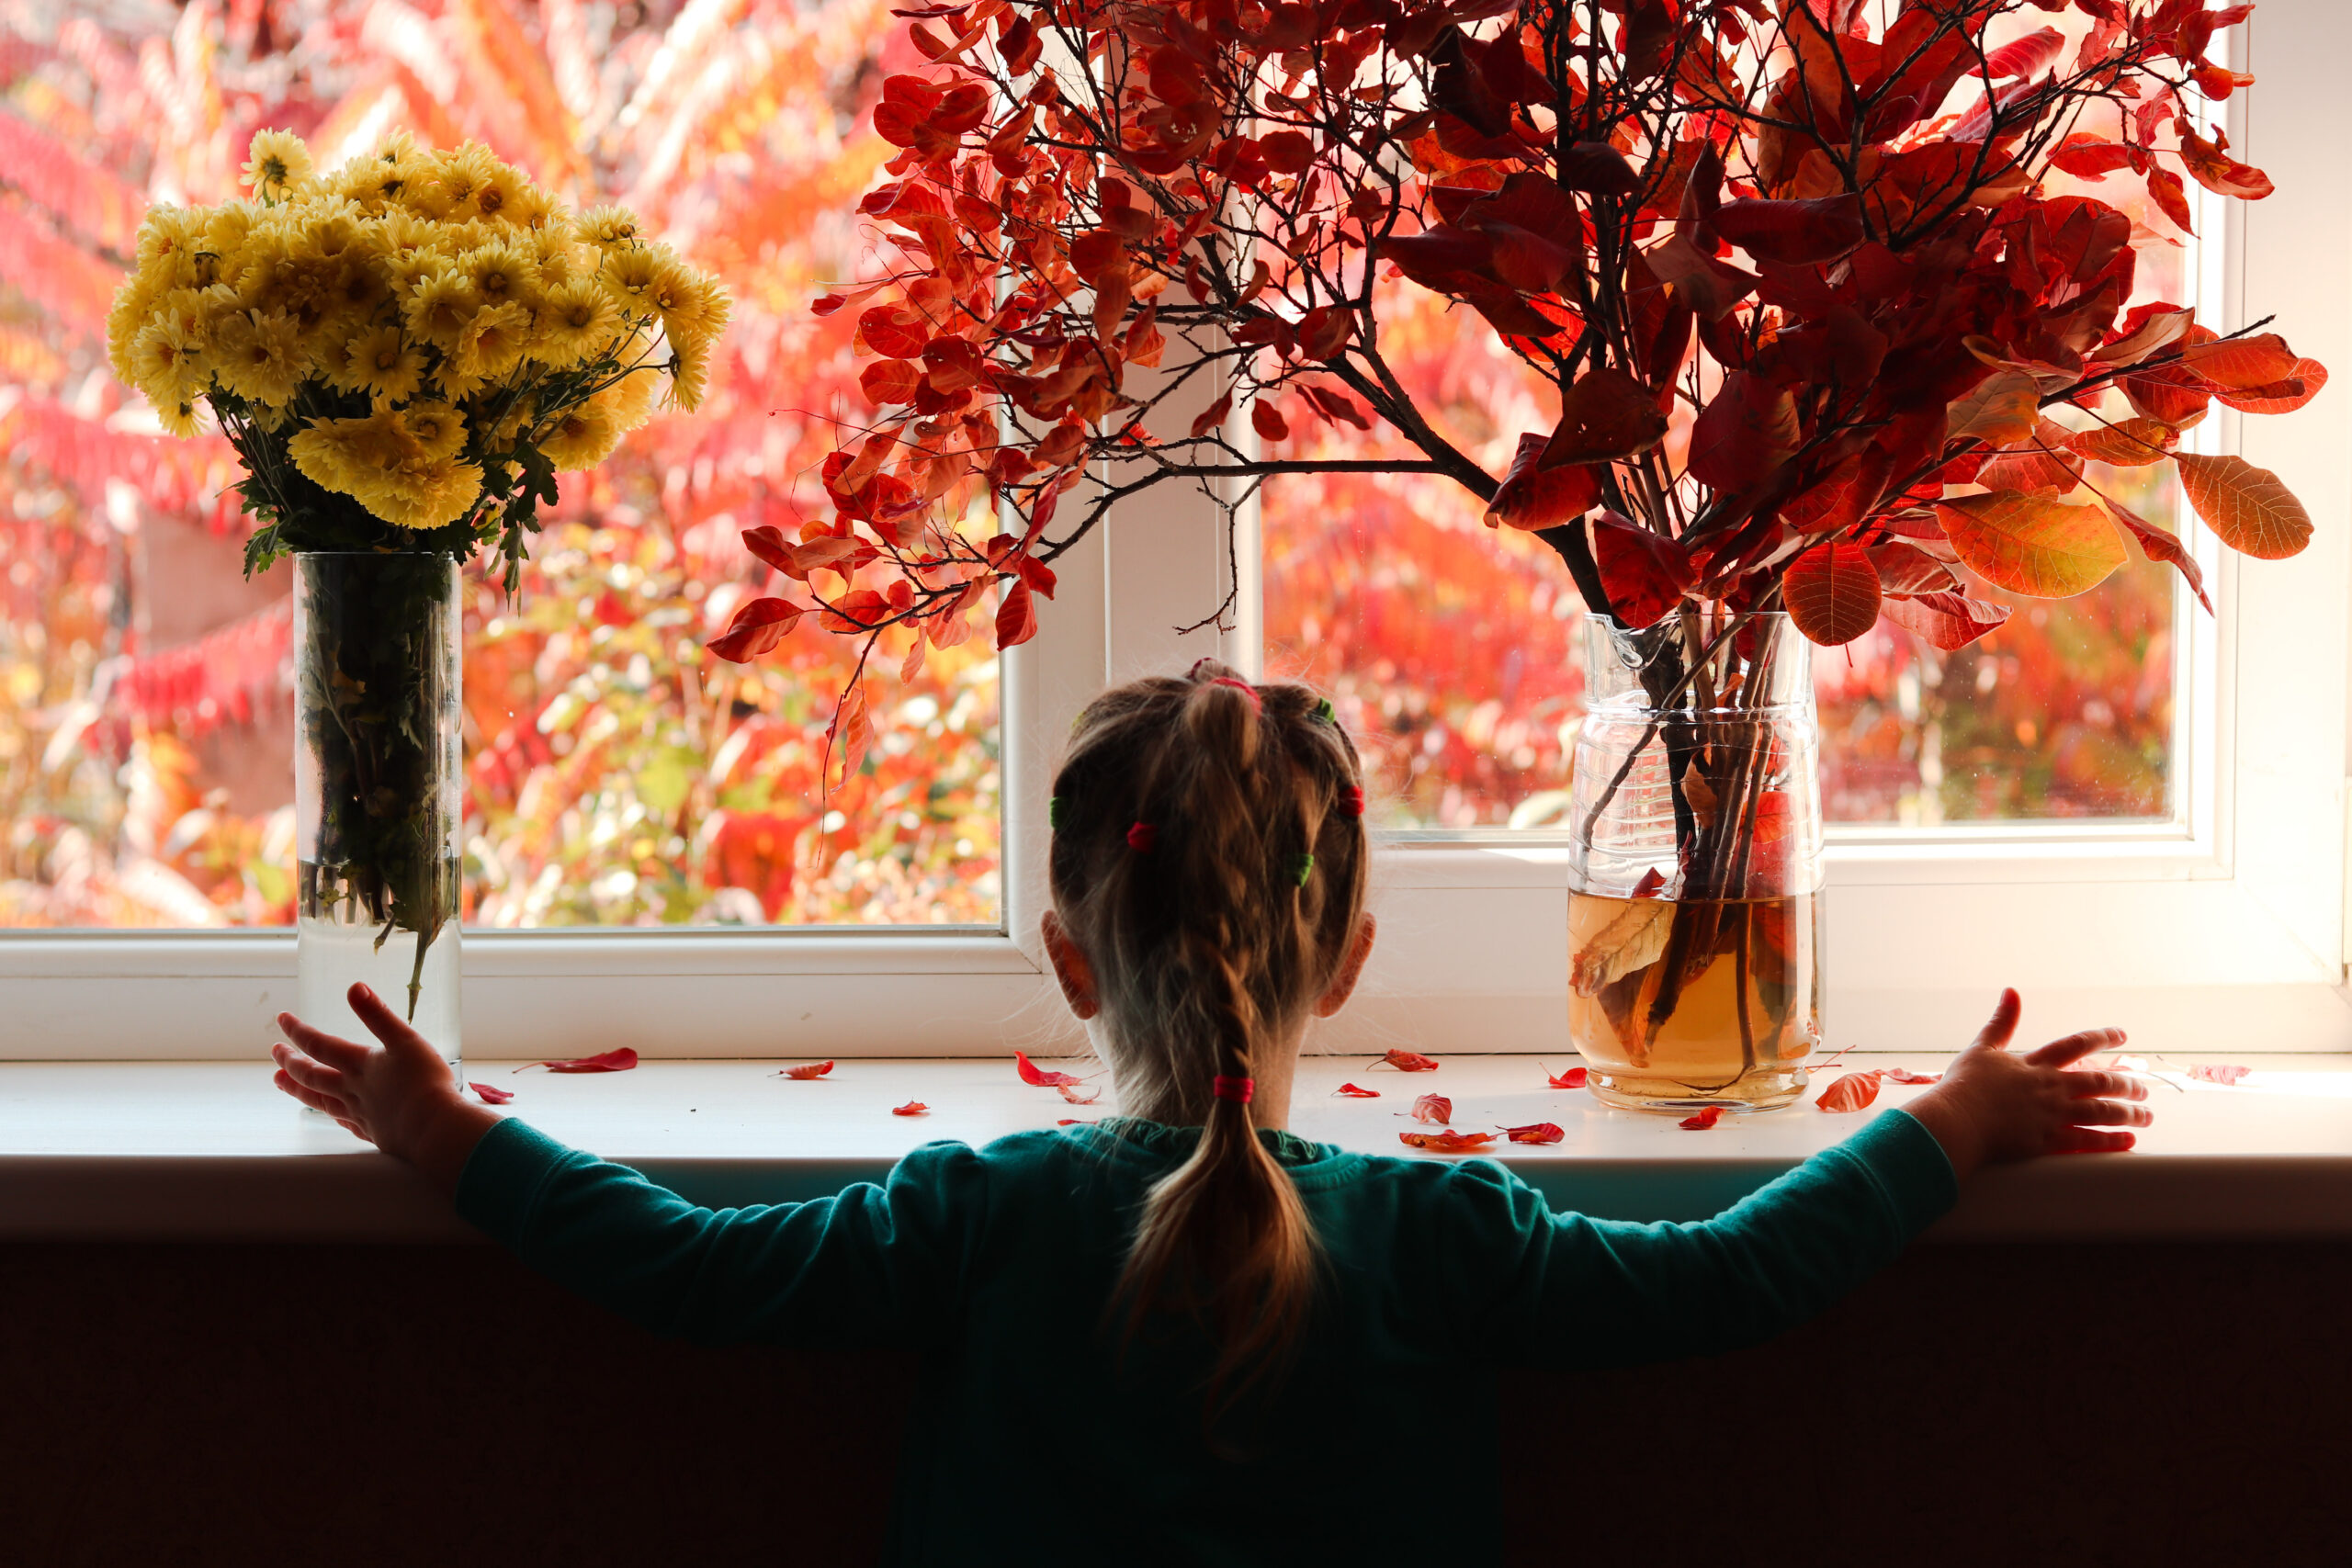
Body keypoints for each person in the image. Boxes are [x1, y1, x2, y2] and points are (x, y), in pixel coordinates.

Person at [270, 660, 2151, 1563]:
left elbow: (686, 1269)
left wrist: (453, 1135)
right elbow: (1726, 1281)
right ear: (1344, 956)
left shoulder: (975, 1216)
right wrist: (1953, 1122)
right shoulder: (1441, 1238)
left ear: (1072, 960)